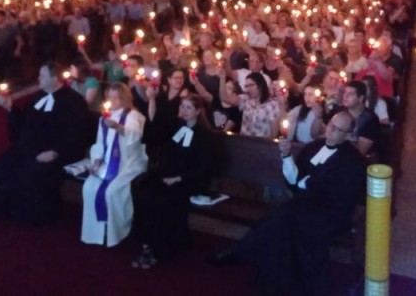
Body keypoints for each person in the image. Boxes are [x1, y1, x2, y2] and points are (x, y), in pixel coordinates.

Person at [209, 111, 365, 296]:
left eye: (338, 129)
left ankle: (242, 253)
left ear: (347, 135)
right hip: (303, 206)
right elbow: (295, 181)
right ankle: (270, 276)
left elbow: (334, 193)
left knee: (283, 217)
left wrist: (305, 185)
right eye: (331, 124)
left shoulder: (352, 160)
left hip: (329, 213)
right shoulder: (314, 147)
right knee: (284, 220)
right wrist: (286, 155)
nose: (331, 130)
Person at [0, 62, 91, 225]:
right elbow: (24, 125)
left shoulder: (74, 102)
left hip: (57, 152)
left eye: (42, 75)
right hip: (30, 148)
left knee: (32, 170)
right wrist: (10, 108)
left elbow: (76, 134)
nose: (38, 78)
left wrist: (55, 152)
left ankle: (32, 218)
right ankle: (3, 211)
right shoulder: (38, 97)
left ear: (55, 79)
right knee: (1, 164)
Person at [132, 94, 213, 268]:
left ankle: (159, 250)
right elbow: (153, 137)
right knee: (143, 192)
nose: (183, 111)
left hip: (188, 180)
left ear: (198, 111)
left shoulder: (204, 135)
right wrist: (152, 102)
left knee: (162, 200)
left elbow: (204, 167)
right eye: (182, 106)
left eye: (188, 108)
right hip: (167, 176)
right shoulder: (175, 126)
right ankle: (146, 242)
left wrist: (178, 178)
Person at [81, 82, 148, 247]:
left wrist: (118, 127)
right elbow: (99, 142)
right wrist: (96, 160)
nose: (112, 101)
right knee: (89, 188)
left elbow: (134, 135)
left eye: (115, 98)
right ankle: (96, 231)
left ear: (124, 99)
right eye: (109, 97)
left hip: (129, 163)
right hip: (106, 162)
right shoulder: (104, 118)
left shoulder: (133, 116)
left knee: (111, 193)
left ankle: (116, 231)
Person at [220, 70, 282, 138]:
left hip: (262, 144)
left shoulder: (272, 105)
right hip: (244, 142)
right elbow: (224, 98)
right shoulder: (245, 99)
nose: (249, 89)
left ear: (260, 85)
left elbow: (274, 133)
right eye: (247, 86)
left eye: (251, 85)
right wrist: (222, 78)